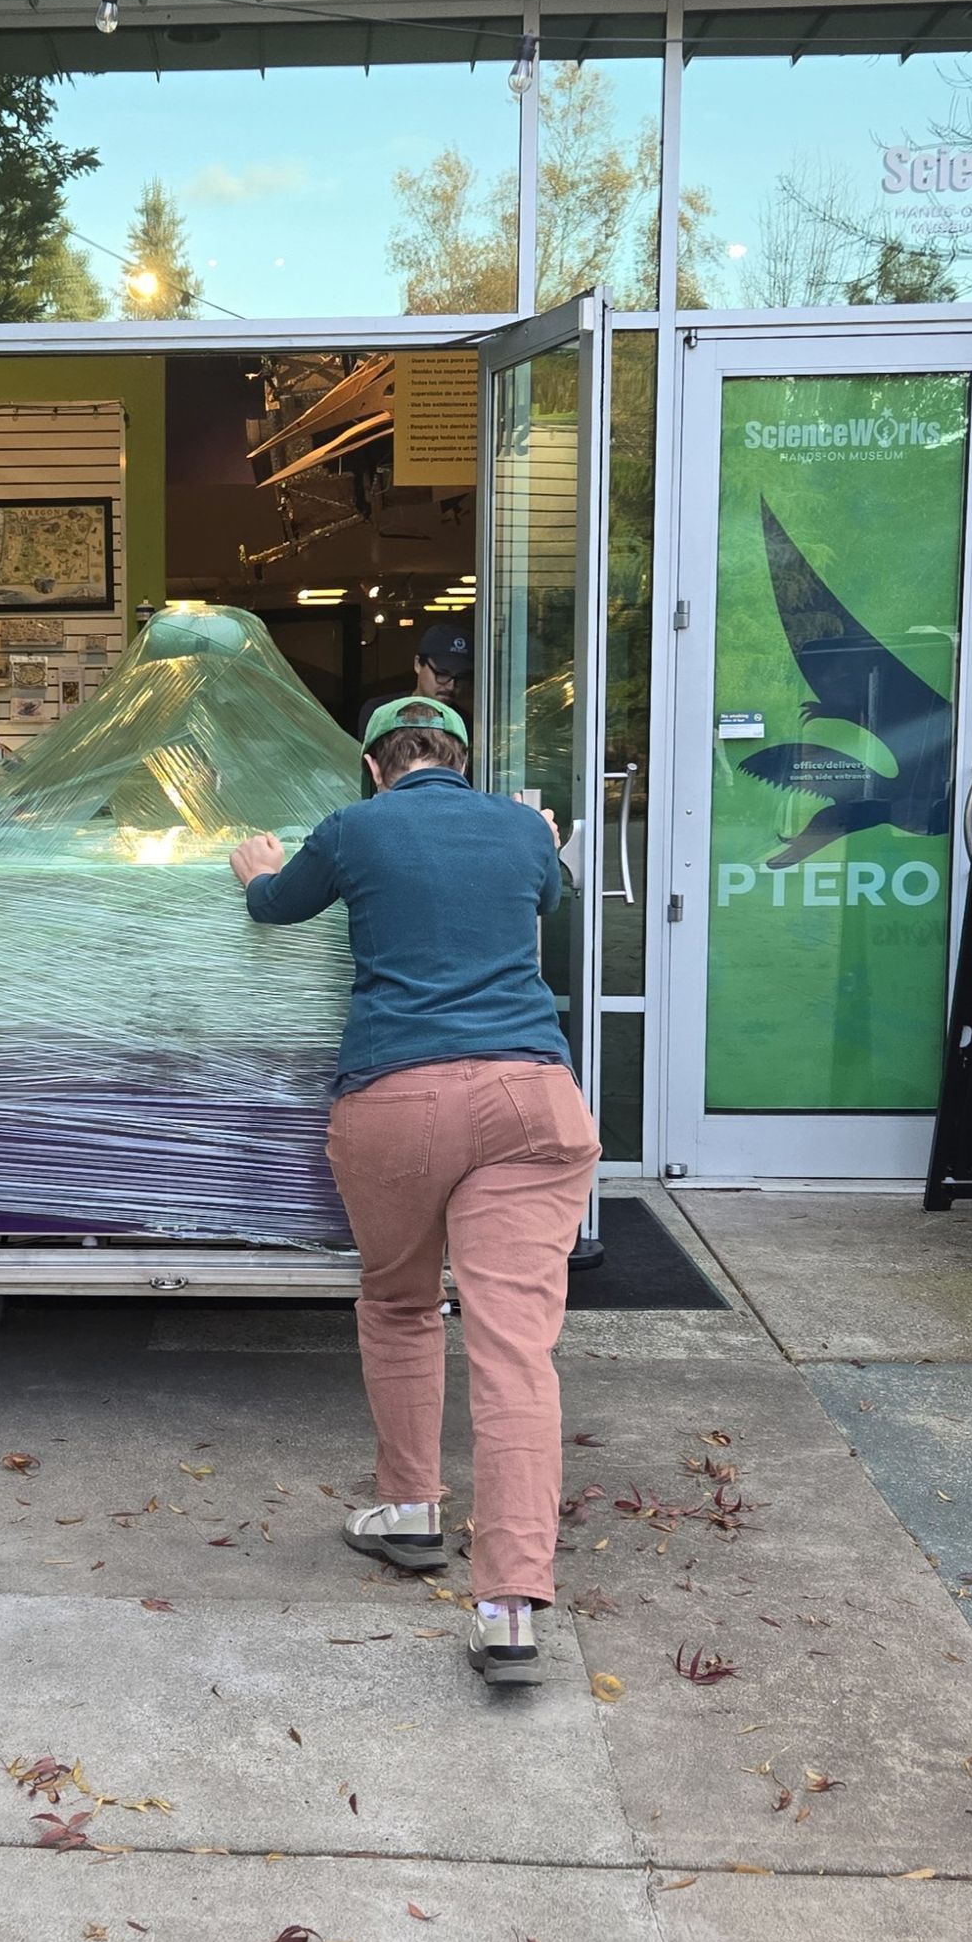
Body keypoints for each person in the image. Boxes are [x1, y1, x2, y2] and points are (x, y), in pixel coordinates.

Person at [229, 695, 598, 1689]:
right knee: (514, 1350)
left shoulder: (354, 828)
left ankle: (409, 1509)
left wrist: (256, 870)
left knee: (400, 1304)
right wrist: (541, 835)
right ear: (463, 761)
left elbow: (275, 908)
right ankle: (508, 1610)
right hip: (531, 1099)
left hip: (398, 1097)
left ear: (374, 764)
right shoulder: (519, 828)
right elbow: (549, 897)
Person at [355, 618, 474, 744]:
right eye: (442, 673)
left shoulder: (464, 724)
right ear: (417, 664)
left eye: (461, 677)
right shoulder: (380, 713)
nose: (451, 686)